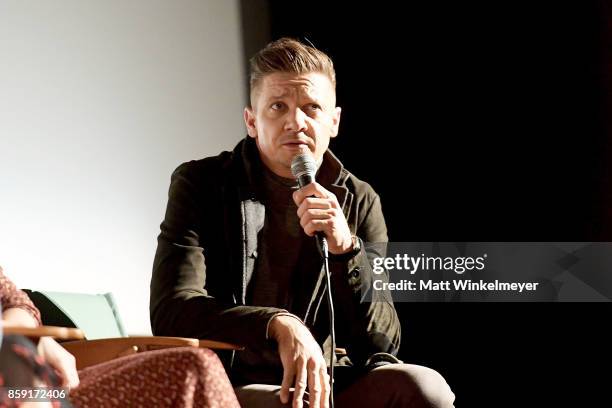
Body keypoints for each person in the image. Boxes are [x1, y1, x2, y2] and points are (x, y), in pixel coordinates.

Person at [150, 38, 455, 408]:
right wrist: (276, 324)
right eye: (278, 107)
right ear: (251, 121)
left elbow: (382, 341)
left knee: (425, 387)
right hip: (235, 381)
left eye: (312, 108)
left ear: (335, 121)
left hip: (327, 379)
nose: (296, 122)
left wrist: (348, 250)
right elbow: (172, 309)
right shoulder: (202, 184)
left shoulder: (359, 199)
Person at [0, 266, 240, 408]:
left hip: (45, 389)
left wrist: (33, 337)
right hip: (17, 393)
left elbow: (18, 304)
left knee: (194, 366)